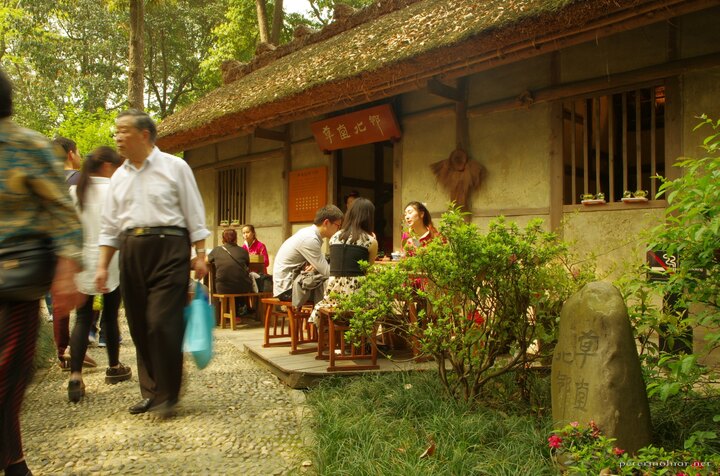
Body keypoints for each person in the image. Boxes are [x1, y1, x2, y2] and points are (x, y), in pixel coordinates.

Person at [95, 109, 210, 418]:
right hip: (131, 250)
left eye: (123, 130)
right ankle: (152, 391)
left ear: (143, 135)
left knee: (162, 321)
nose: (117, 137)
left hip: (169, 247)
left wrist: (201, 254)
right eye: (115, 131)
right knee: (138, 324)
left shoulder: (175, 167)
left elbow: (193, 211)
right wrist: (102, 266)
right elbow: (109, 227)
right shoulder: (118, 176)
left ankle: (168, 392)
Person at [0, 68, 84, 476]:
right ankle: (15, 464)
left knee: (6, 381)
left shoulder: (27, 146)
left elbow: (64, 213)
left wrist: (68, 271)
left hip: (13, 284)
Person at [67, 146, 131, 403]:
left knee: (82, 318)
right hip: (112, 260)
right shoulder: (114, 191)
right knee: (111, 316)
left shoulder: (74, 191)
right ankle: (114, 366)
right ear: (107, 166)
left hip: (83, 261)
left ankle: (75, 376)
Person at [50, 136, 96, 370]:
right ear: (70, 153)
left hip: (52, 248)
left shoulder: (47, 180)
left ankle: (62, 351)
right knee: (82, 305)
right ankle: (75, 350)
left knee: (59, 304)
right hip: (77, 247)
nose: (79, 157)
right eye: (78, 152)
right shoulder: (81, 181)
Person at [310, 198, 378, 322]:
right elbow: (368, 271)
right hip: (356, 297)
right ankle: (369, 338)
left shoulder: (334, 237)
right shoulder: (370, 241)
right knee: (381, 302)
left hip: (333, 295)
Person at [272, 205, 344, 302]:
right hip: (288, 290)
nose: (338, 230)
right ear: (326, 222)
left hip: (288, 284)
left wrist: (315, 266)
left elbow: (320, 264)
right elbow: (327, 272)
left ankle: (320, 316)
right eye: (338, 226)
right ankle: (322, 316)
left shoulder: (308, 233)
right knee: (334, 287)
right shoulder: (310, 239)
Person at [208, 229, 254, 313]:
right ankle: (240, 312)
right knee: (239, 282)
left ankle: (222, 314)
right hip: (243, 287)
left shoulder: (216, 250)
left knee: (226, 284)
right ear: (236, 239)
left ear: (223, 239)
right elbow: (247, 265)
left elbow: (207, 260)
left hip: (223, 288)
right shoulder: (243, 251)